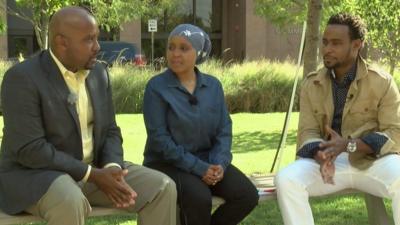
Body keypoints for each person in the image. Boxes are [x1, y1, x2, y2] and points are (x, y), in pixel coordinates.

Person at [0, 6, 176, 225]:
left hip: (93, 172)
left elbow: (110, 130)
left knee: (162, 187)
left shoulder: (99, 74)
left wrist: (112, 168)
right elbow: (31, 150)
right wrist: (92, 175)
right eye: (89, 40)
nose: (97, 47)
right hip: (34, 175)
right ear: (61, 42)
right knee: (69, 199)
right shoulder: (22, 78)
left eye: (97, 38)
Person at [275, 13, 400, 225]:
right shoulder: (311, 84)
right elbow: (308, 132)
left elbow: (395, 133)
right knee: (287, 179)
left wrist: (349, 145)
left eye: (336, 43)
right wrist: (320, 153)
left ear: (356, 45)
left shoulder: (382, 82)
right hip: (331, 163)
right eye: (325, 42)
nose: (327, 49)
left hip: (373, 161)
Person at [142, 24, 259, 225]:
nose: (175, 53)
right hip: (167, 164)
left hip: (208, 159)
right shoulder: (156, 87)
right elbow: (160, 140)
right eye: (171, 47)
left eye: (184, 48)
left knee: (247, 195)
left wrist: (219, 164)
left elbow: (224, 130)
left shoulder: (213, 86)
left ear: (199, 53)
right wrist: (199, 168)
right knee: (199, 197)